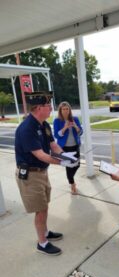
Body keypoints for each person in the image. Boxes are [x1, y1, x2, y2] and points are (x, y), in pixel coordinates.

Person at [15, 92, 78, 256]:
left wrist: (66, 156)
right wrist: (63, 162)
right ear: (37, 108)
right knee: (40, 209)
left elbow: (53, 145)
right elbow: (40, 154)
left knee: (44, 206)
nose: (51, 108)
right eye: (47, 105)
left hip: (41, 172)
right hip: (30, 174)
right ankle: (42, 243)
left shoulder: (44, 124)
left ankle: (45, 232)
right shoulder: (27, 128)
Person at [53, 101, 83, 194]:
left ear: (70, 110)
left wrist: (75, 127)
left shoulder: (75, 119)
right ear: (60, 111)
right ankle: (72, 184)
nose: (65, 111)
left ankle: (71, 179)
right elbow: (57, 135)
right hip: (64, 148)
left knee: (77, 164)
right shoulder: (57, 121)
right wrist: (65, 127)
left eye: (67, 109)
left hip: (75, 145)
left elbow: (81, 132)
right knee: (69, 167)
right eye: (63, 109)